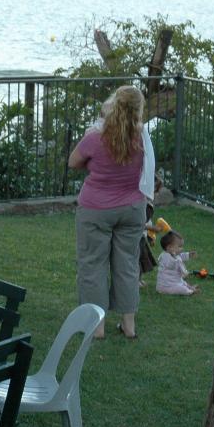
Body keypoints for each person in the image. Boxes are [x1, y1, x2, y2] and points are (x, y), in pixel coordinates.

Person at [69, 85, 147, 339]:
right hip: (133, 208)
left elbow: (73, 162)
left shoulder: (96, 136)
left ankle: (97, 326)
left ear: (114, 104)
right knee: (127, 265)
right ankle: (129, 325)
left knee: (93, 264)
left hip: (96, 209)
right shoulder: (142, 137)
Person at [155, 231, 201, 296]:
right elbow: (171, 264)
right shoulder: (165, 257)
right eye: (179, 246)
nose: (182, 248)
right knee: (181, 289)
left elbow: (181, 256)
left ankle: (190, 288)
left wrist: (189, 255)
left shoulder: (174, 254)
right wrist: (176, 261)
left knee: (184, 283)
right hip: (166, 285)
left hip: (174, 281)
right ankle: (190, 292)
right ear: (170, 247)